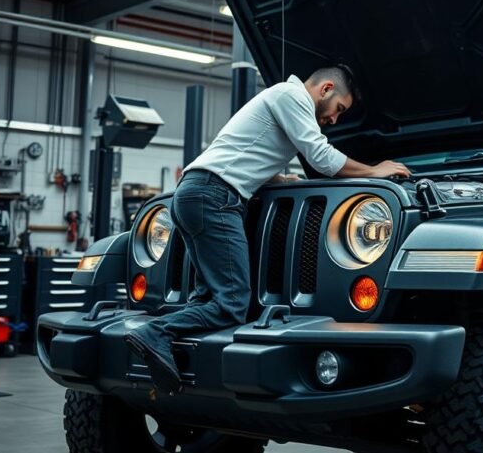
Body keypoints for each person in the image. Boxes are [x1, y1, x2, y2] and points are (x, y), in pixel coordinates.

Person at [125, 65, 410, 393]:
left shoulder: (276, 97)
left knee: (205, 297)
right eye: (339, 110)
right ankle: (155, 333)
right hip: (214, 196)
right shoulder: (292, 96)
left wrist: (276, 178)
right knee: (232, 302)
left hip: (194, 192)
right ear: (326, 88)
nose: (334, 120)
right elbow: (321, 158)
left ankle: (181, 362)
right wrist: (375, 170)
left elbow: (242, 150)